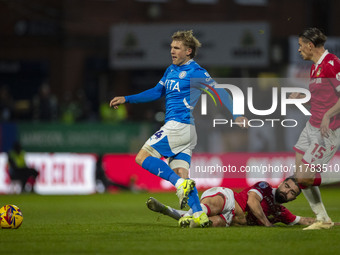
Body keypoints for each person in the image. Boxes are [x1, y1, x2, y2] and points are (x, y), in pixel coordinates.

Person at [110, 30, 248, 227]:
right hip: (186, 132)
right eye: (171, 47)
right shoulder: (170, 70)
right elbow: (156, 92)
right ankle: (199, 215)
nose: (172, 51)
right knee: (183, 173)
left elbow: (220, 93)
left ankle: (179, 185)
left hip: (178, 126)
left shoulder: (197, 72)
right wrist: (128, 98)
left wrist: (236, 114)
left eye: (177, 48)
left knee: (142, 157)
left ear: (188, 51)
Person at [290, 27, 340, 230]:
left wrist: (328, 115)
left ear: (310, 45)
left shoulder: (332, 64)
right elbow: (322, 99)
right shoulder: (314, 67)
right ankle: (323, 220)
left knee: (304, 178)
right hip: (312, 125)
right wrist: (303, 99)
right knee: (301, 176)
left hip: (327, 130)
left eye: (301, 46)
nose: (299, 50)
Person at [147, 177, 316, 228]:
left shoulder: (281, 213)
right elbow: (252, 201)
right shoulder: (264, 187)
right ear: (281, 183)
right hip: (228, 199)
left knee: (206, 223)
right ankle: (189, 215)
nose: (286, 191)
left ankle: (167, 210)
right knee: (211, 207)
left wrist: (331, 223)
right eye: (286, 186)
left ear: (293, 198)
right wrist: (267, 224)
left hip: (228, 219)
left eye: (291, 192)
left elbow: (305, 221)